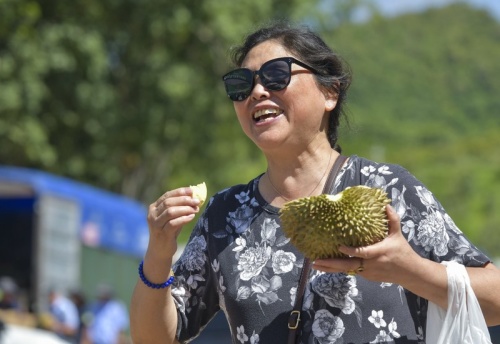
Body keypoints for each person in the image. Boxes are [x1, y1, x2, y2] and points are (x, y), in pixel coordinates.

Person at [130, 21, 500, 343]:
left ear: (330, 92)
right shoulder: (225, 215)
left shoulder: (387, 189)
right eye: (241, 84)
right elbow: (154, 337)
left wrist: (407, 269)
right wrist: (159, 251)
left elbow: (496, 300)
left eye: (277, 75)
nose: (258, 92)